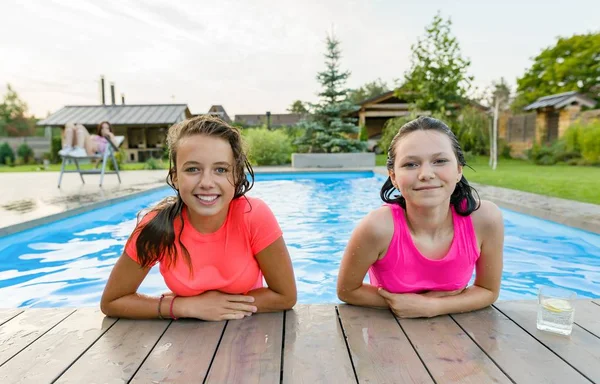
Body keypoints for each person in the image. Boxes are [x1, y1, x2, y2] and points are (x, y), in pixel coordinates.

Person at [101, 115, 297, 320]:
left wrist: (219, 306)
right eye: (193, 169)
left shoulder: (253, 215)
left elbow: (285, 296)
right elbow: (112, 301)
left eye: (220, 170)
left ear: (237, 175)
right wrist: (184, 307)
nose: (206, 182)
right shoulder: (156, 226)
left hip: (246, 335)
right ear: (175, 176)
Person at [337, 116, 504, 318]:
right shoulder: (378, 227)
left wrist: (430, 307)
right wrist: (408, 305)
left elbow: (488, 290)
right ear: (393, 177)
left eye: (440, 161)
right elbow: (347, 290)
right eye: (410, 164)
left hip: (460, 338)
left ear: (459, 170)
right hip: (389, 337)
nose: (426, 174)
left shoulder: (484, 219)